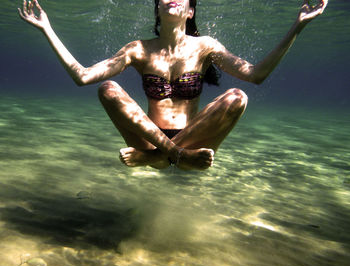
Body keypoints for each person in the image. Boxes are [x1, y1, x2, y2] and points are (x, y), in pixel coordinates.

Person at [18, 0, 328, 170]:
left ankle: (163, 157)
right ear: (157, 8)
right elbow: (82, 76)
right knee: (107, 89)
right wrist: (47, 29)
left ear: (190, 10)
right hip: (149, 139)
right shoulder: (137, 49)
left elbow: (256, 73)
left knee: (238, 96)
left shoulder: (206, 46)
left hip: (194, 142)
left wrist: (297, 27)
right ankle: (167, 154)